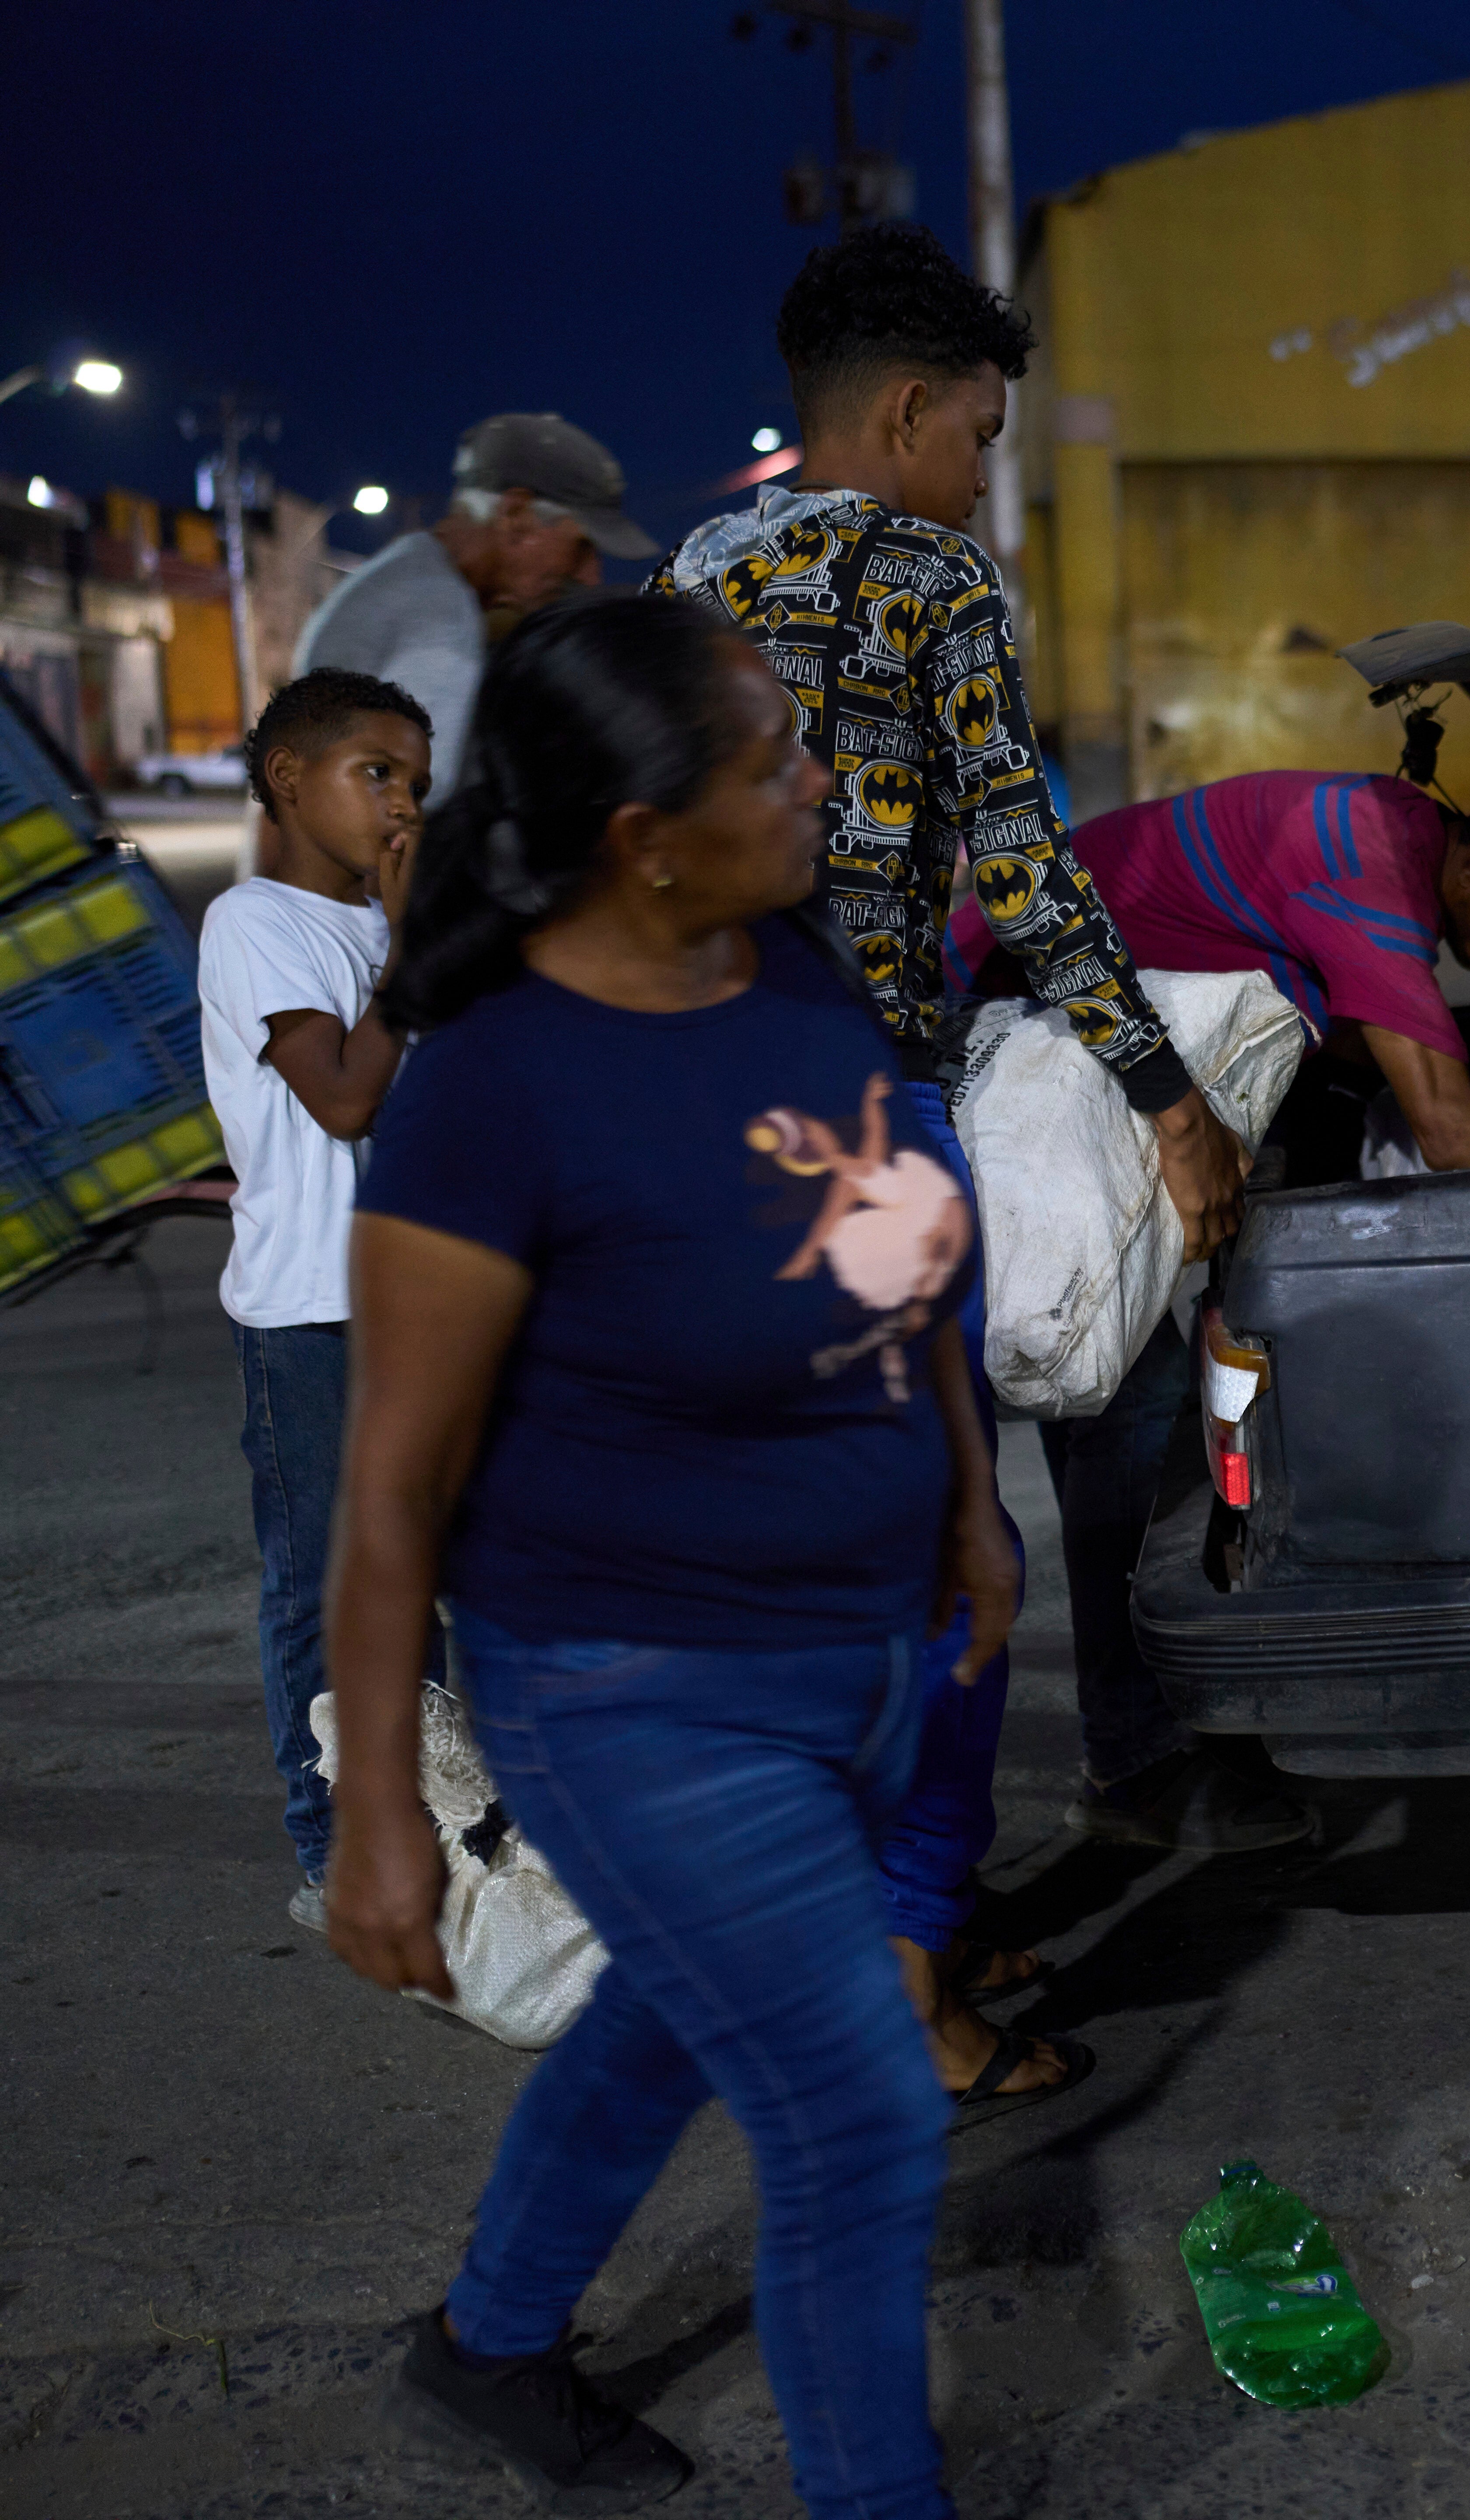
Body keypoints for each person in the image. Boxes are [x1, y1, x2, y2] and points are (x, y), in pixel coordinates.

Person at [327, 594, 1012, 2516]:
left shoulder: (786, 966)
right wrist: (380, 1808)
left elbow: (899, 1236)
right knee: (863, 2115)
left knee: (672, 2007)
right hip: (631, 1691)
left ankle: (487, 2340)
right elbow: (392, 1484)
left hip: (862, 1652)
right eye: (775, 759)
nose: (819, 781)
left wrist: (966, 1499)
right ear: (643, 834)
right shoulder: (494, 1093)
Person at [655, 219, 1240, 2104]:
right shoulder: (936, 577)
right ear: (905, 415)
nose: (987, 470)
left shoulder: (692, 572)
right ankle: (905, 1974)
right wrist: (1167, 1094)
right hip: (869, 1131)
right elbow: (1025, 869)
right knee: (958, 1561)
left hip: (698, 1124)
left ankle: (901, 1901)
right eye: (980, 431)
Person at [947, 772, 1470, 1844]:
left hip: (1046, 1031)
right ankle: (1139, 1760)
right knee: (1134, 1409)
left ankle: (1144, 1737)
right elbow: (1454, 1134)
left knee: (1128, 1408)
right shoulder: (1369, 866)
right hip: (1007, 1040)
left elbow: (1351, 1041)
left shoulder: (1388, 831)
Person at [199, 668, 440, 1924]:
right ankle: (327, 1838)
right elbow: (345, 1096)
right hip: (311, 1309)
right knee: (322, 1578)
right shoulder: (257, 924)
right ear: (292, 782)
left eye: (417, 783)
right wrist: (411, 950)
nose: (403, 804)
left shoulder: (392, 926)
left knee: (433, 1562)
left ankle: (436, 1811)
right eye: (377, 775)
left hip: (421, 1297)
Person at [293, 414, 654, 779]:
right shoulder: (440, 624)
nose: (591, 577)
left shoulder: (410, 576)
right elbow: (413, 822)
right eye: (582, 548)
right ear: (515, 517)